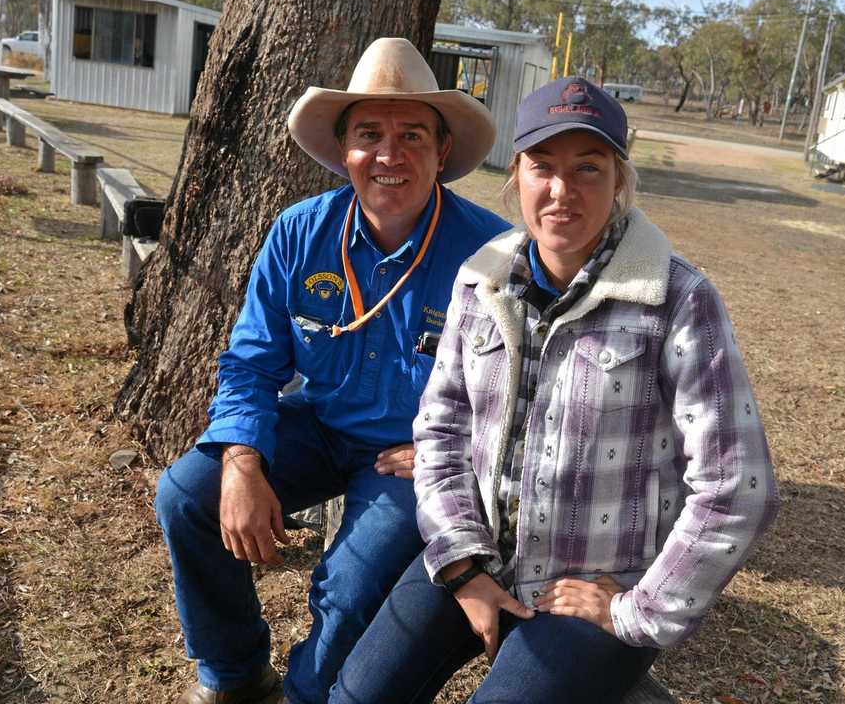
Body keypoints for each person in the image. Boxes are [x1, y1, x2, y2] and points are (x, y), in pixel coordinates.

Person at [332, 77, 780, 704]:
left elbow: (739, 487)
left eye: (588, 169)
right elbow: (441, 430)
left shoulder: (677, 299)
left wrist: (638, 610)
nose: (562, 191)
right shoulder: (481, 281)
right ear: (516, 174)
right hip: (479, 555)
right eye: (542, 167)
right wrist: (463, 566)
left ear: (620, 179)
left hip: (598, 585)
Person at [153, 38, 509, 704]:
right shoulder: (299, 232)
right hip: (317, 424)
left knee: (351, 584)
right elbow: (252, 358)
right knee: (186, 498)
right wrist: (241, 461)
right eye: (369, 133)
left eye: (412, 135)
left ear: (442, 152)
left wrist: (452, 449)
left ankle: (306, 693)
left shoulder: (489, 252)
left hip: (410, 457)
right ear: (344, 150)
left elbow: (522, 389)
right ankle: (233, 675)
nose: (389, 154)